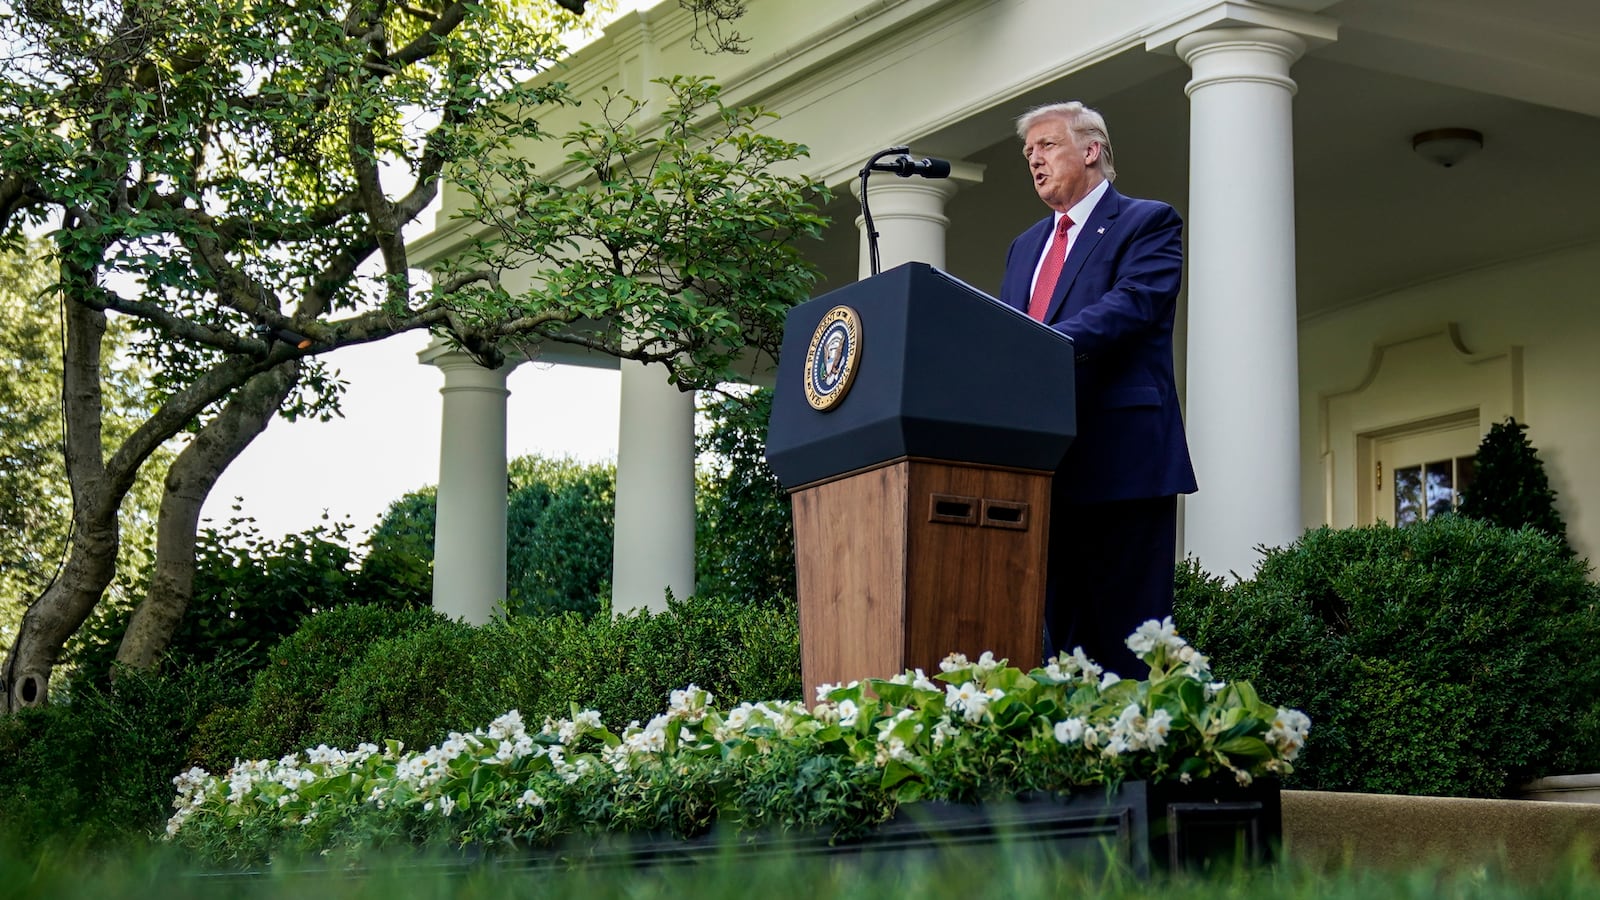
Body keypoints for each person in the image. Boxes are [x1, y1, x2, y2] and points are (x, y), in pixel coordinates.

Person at [997, 101, 1197, 676]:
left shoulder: (1147, 222)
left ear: (1092, 150)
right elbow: (1007, 334)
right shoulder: (1023, 247)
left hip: (1121, 463)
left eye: (1047, 145)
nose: (1034, 159)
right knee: (1063, 645)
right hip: (1043, 467)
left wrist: (1043, 345)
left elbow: (1132, 305)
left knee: (1129, 642)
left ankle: (1135, 759)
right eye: (1028, 152)